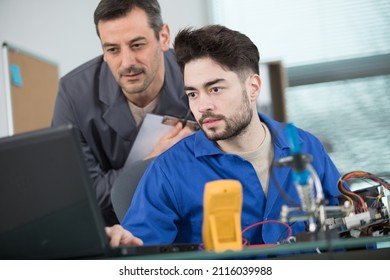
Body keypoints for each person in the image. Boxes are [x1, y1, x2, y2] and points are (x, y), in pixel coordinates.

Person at [107, 25, 343, 247]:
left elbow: (348, 232)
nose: (202, 106)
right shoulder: (168, 172)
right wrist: (122, 244)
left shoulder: (305, 147)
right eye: (193, 93)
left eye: (215, 89)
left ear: (253, 87)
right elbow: (138, 252)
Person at [51, 0, 194, 226]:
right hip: (116, 234)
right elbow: (79, 197)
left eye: (137, 45)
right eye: (113, 49)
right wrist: (151, 162)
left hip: (190, 225)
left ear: (164, 37)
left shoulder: (198, 76)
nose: (127, 63)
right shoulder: (73, 94)